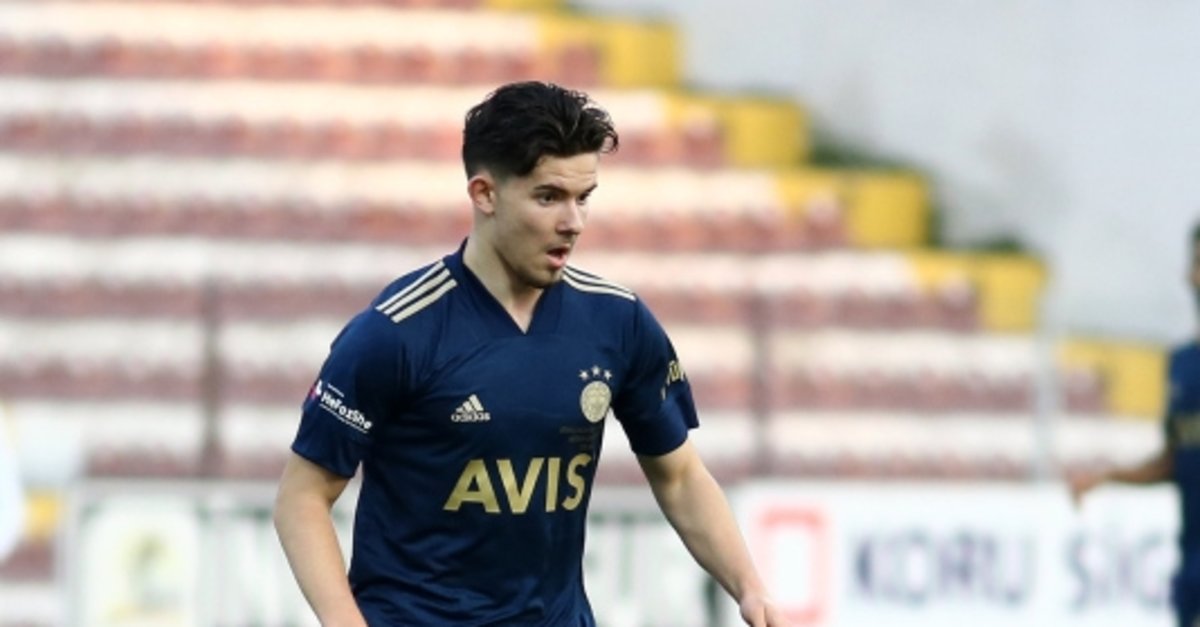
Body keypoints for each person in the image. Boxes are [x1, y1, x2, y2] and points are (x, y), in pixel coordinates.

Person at [273, 81, 788, 626]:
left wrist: (749, 588)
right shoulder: (397, 331)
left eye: (583, 198)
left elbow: (679, 476)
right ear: (484, 194)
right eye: (548, 197)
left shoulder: (616, 321)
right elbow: (302, 499)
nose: (573, 222)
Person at [1069, 221, 1200, 627]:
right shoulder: (1182, 363)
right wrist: (1109, 476)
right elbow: (1175, 460)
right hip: (1192, 559)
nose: (1193, 276)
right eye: (1194, 263)